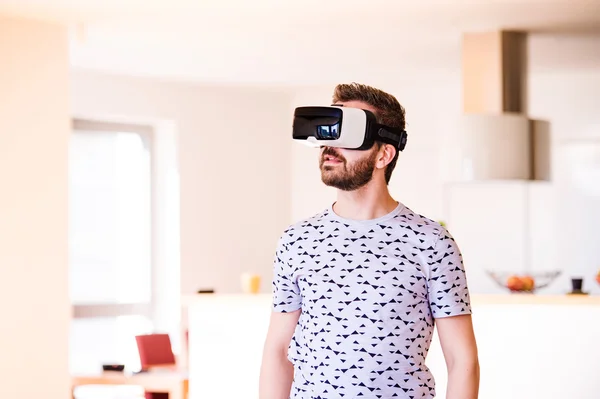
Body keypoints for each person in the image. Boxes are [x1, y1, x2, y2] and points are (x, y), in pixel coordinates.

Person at [259, 83, 479, 399]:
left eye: (347, 134)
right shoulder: (297, 241)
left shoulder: (431, 243)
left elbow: (462, 361)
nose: (329, 146)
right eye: (329, 132)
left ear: (384, 154)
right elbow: (277, 352)